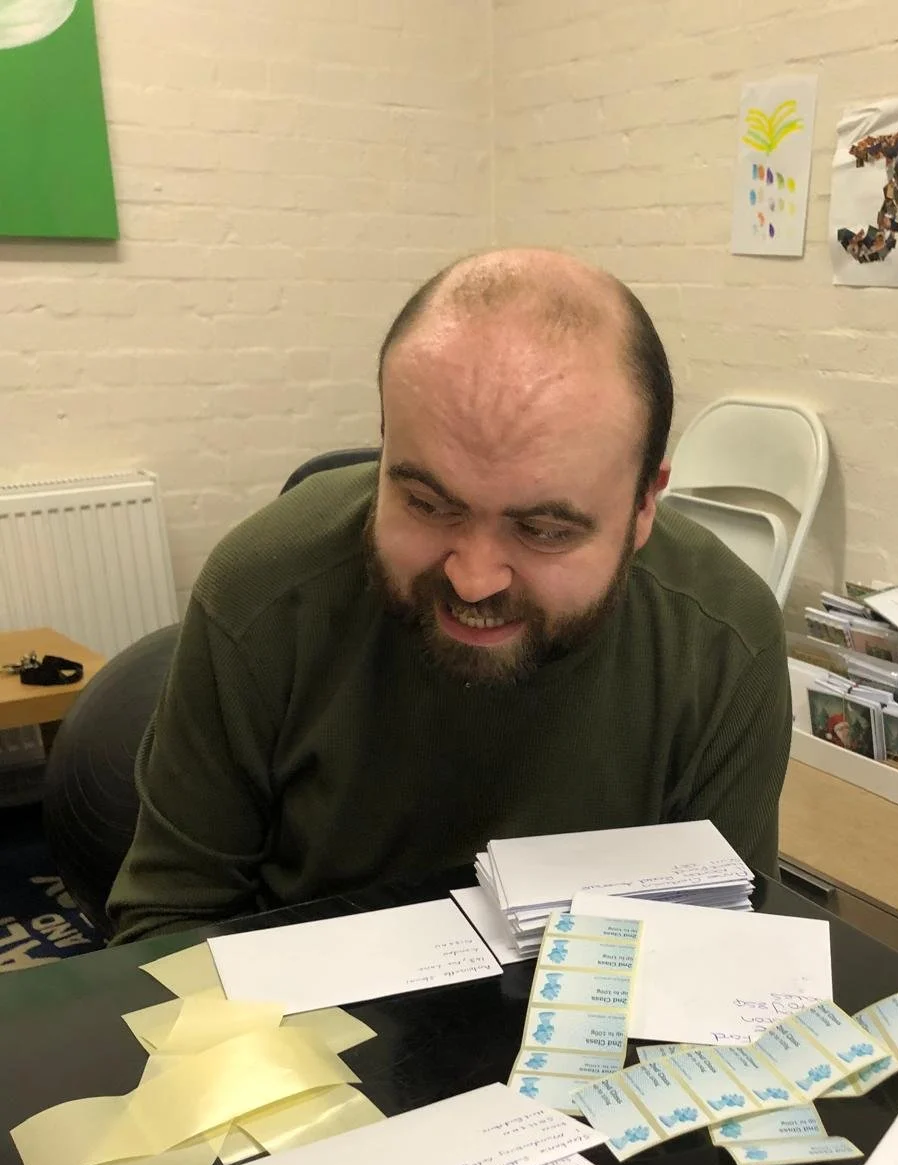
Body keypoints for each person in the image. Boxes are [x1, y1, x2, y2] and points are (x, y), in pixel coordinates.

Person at [108, 249, 792, 943]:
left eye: (545, 530)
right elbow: (168, 924)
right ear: (384, 447)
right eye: (428, 504)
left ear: (646, 502)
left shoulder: (723, 642)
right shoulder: (261, 591)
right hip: (297, 1026)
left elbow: (721, 952)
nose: (473, 577)